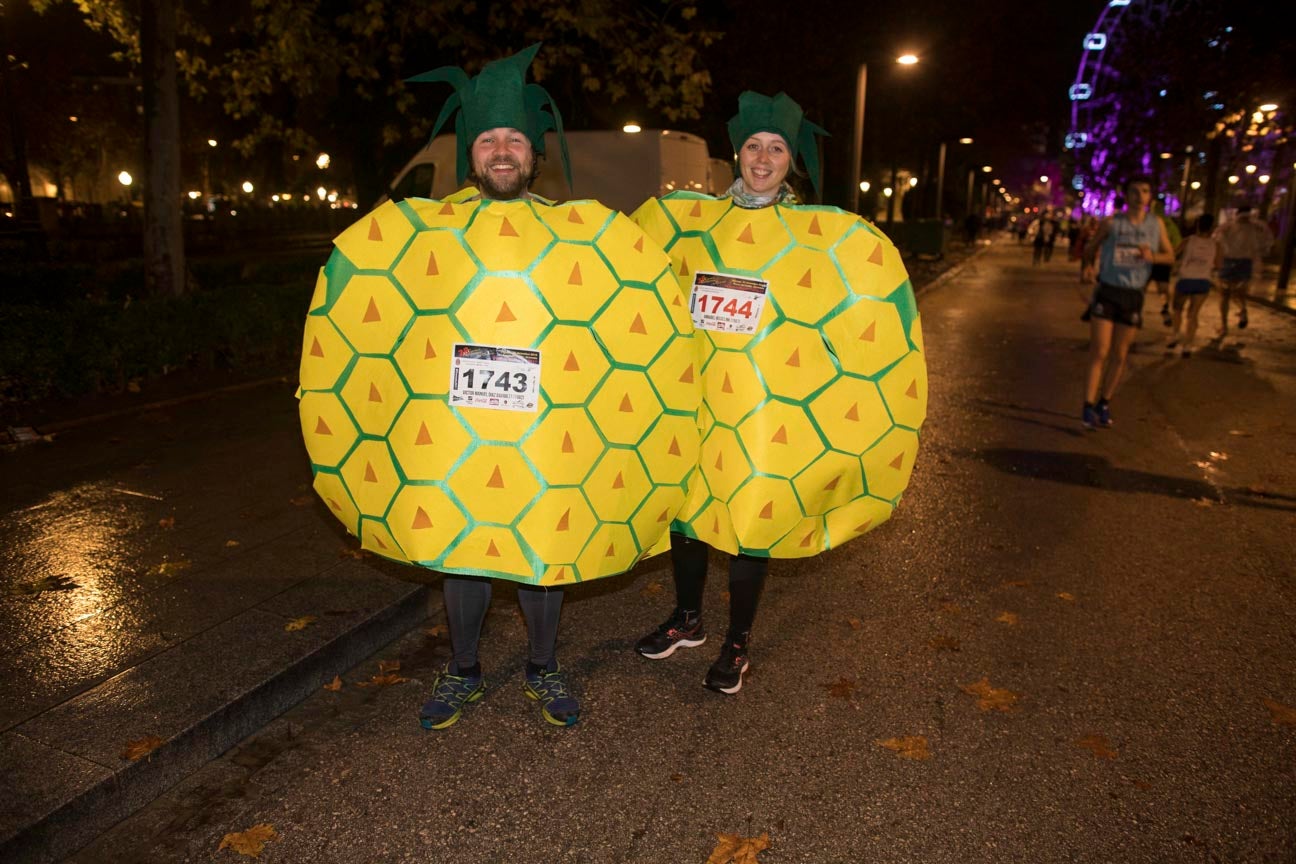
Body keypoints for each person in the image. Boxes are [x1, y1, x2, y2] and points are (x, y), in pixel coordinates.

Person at [406, 45, 580, 730]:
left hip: (544, 421)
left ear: (535, 154)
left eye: (515, 139)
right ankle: (464, 671)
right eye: (488, 139)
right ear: (469, 155)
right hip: (456, 427)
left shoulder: (574, 235)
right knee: (462, 547)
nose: (503, 150)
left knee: (541, 548)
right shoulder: (428, 233)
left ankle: (543, 666)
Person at [1080, 176, 1173, 430]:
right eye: (1134, 191)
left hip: (1133, 295)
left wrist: (1151, 255)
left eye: (1144, 191)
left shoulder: (1157, 225)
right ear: (1126, 195)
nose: (1139, 195)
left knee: (1120, 354)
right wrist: (1088, 266)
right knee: (1100, 350)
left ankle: (1104, 402)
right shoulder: (1112, 223)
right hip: (1108, 291)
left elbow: (1170, 256)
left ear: (1150, 197)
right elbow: (1090, 247)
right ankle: (1088, 405)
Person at [1213, 205, 1274, 336]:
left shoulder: (1229, 226)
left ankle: (1224, 326)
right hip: (1246, 263)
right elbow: (1268, 243)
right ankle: (1242, 310)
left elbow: (1216, 239)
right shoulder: (1258, 226)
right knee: (1238, 292)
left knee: (1225, 295)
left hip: (1229, 262)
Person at [1166, 213, 1220, 357]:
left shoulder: (1188, 241)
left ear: (1197, 225)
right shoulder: (1216, 245)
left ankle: (1176, 334)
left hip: (1185, 279)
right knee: (1193, 314)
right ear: (1212, 228)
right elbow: (1218, 264)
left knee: (1177, 309)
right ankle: (1187, 346)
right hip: (1203, 281)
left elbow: (1173, 254)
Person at [1148, 202, 1182, 326]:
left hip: (1148, 259)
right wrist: (1171, 256)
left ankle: (1134, 311)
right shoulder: (1170, 225)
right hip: (1163, 260)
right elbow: (1178, 243)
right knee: (1163, 289)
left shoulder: (1146, 223)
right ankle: (1165, 308)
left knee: (1140, 287)